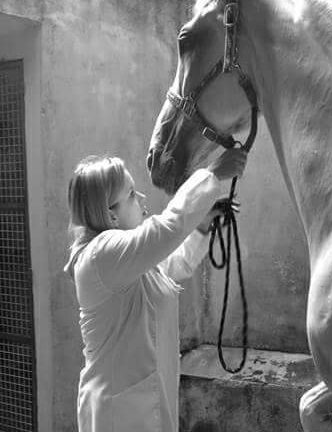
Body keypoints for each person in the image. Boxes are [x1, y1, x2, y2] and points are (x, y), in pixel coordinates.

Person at [64, 149, 247, 432]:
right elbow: (166, 228)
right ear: (110, 215)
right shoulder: (101, 254)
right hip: (117, 414)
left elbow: (174, 265)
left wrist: (200, 226)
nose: (143, 199)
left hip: (139, 405)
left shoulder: (126, 260)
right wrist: (212, 174)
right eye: (132, 195)